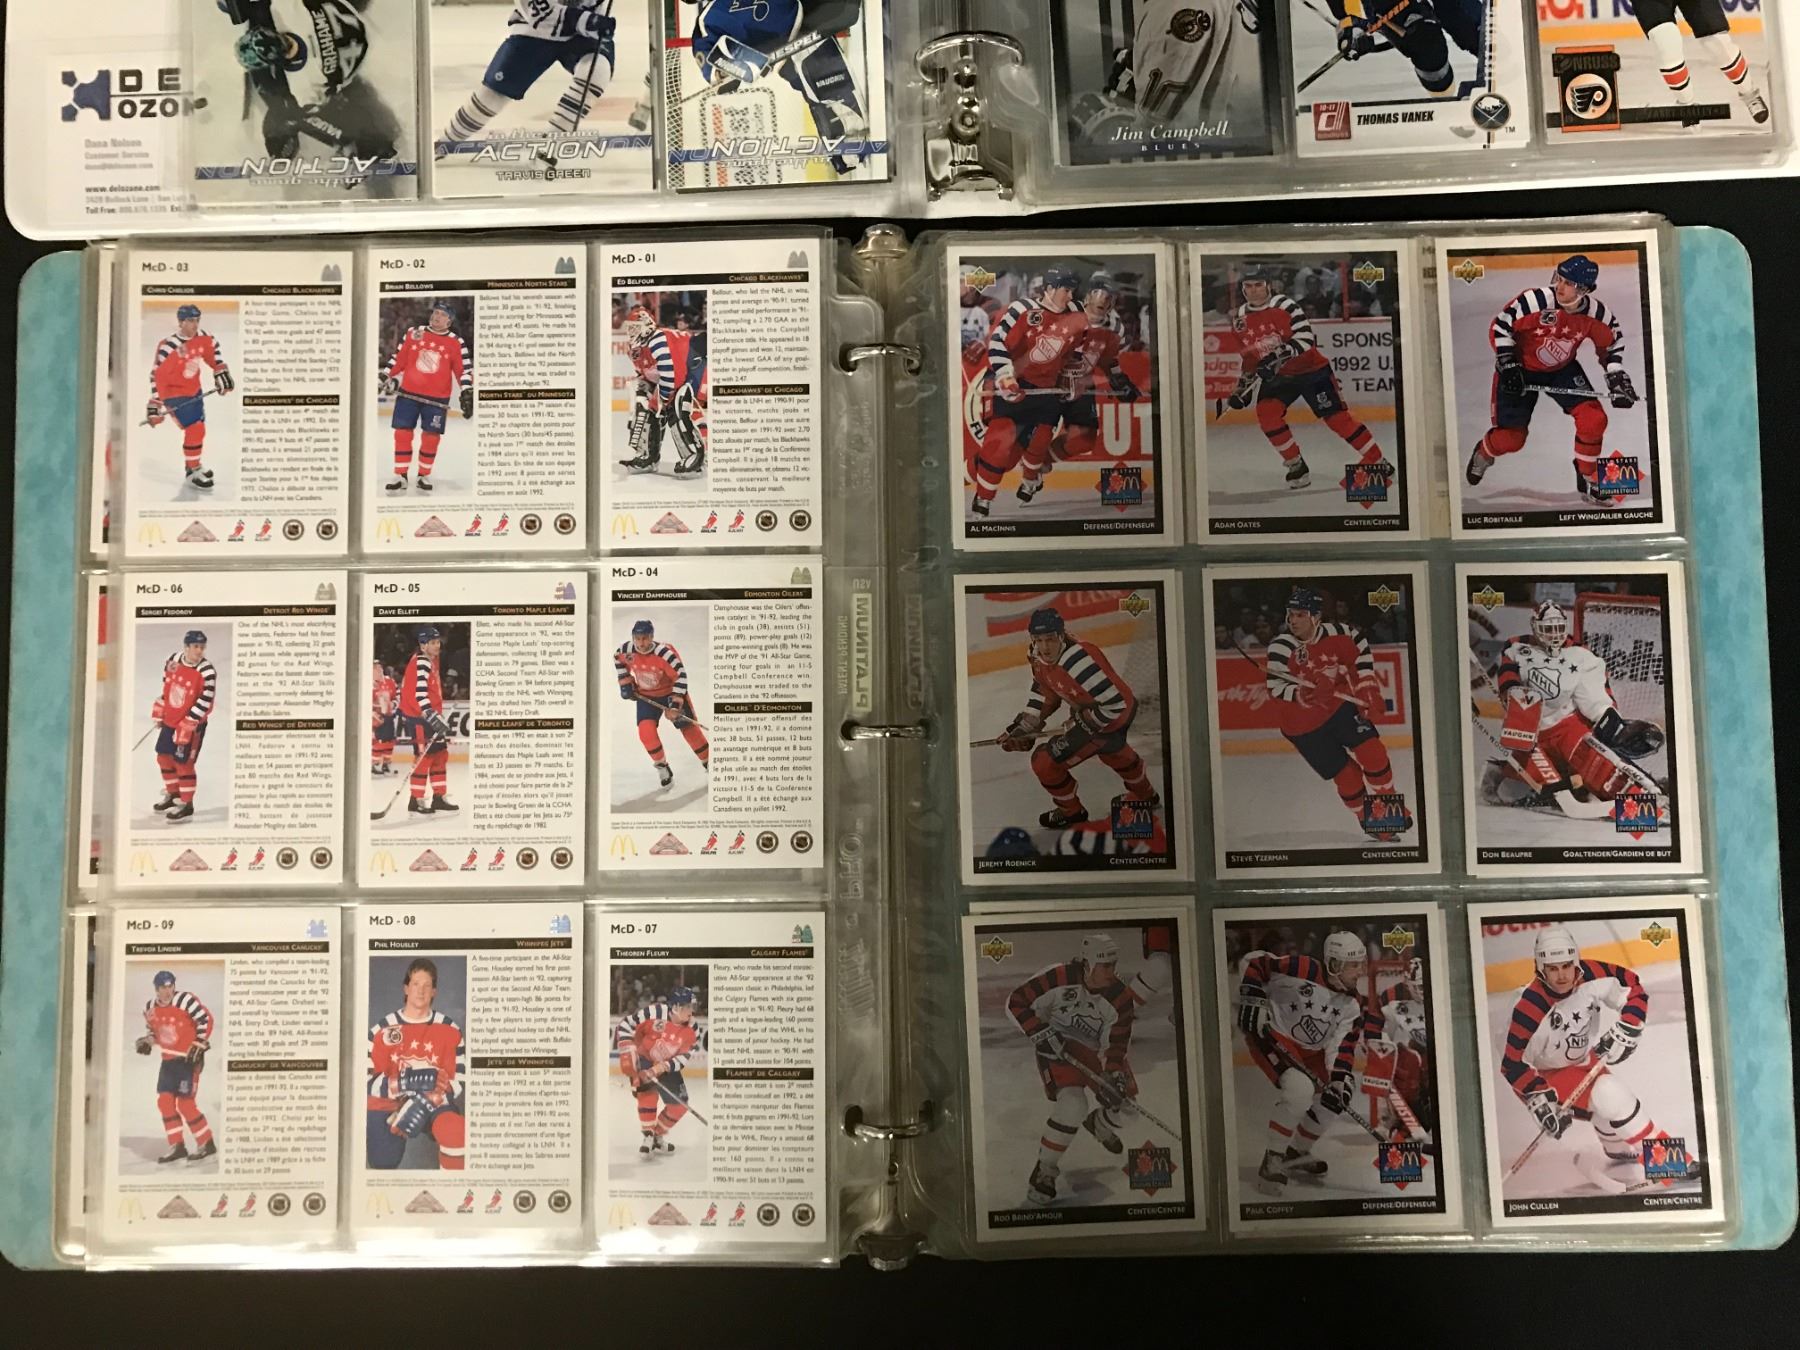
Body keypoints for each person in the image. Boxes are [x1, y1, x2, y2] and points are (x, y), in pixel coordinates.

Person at [367, 958, 466, 1170]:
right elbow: (366, 1081)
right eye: (415, 984)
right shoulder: (381, 1029)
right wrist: (406, 1082)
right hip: (390, 1105)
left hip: (434, 1102)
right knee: (383, 1161)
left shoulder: (450, 1029)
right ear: (406, 988)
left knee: (455, 1130)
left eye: (427, 986)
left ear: (434, 992)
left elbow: (459, 1080)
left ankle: (453, 1187)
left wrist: (422, 1101)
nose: (421, 991)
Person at [135, 969, 217, 1164]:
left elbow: (205, 1019)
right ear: (156, 989)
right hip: (168, 1061)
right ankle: (177, 1146)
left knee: (186, 1104)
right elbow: (154, 1031)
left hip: (188, 1060)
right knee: (165, 1103)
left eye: (170, 986)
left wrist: (199, 1043)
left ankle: (206, 1143)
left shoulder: (185, 1000)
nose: (167, 991)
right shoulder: (150, 1007)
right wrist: (148, 1041)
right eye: (163, 988)